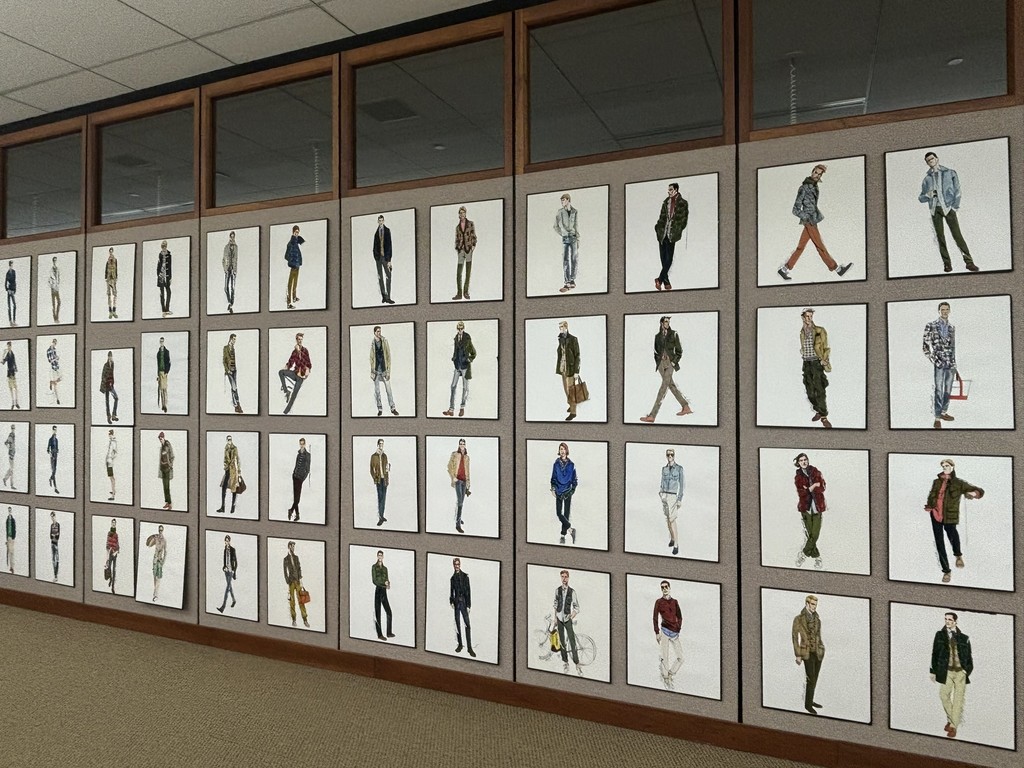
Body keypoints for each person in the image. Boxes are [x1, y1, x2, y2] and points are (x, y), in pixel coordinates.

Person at [777, 164, 852, 281]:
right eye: (815, 172)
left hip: (813, 219)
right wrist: (806, 217)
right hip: (809, 221)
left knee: (801, 247)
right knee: (820, 245)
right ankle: (837, 269)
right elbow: (795, 209)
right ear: (812, 172)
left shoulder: (814, 186)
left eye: (819, 174)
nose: (816, 175)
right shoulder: (804, 188)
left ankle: (784, 269)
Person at [924, 459, 983, 584]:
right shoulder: (936, 482)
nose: (945, 468)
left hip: (950, 516)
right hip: (935, 514)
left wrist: (973, 493)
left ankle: (958, 555)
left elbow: (979, 490)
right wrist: (930, 505)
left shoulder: (959, 483)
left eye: (947, 466)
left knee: (953, 536)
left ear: (952, 467)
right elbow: (932, 495)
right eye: (943, 466)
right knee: (939, 543)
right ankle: (946, 571)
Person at [919, 152, 978, 273]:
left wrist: (955, 206)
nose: (930, 161)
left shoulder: (950, 173)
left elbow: (957, 190)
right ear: (927, 163)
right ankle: (947, 264)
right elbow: (921, 198)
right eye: (928, 160)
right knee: (940, 237)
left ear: (937, 159)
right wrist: (928, 195)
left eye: (932, 159)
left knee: (957, 235)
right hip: (935, 210)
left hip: (948, 208)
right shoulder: (927, 179)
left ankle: (969, 262)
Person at [639, 316, 693, 423]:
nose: (667, 324)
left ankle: (652, 415)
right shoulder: (657, 336)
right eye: (665, 322)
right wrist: (658, 362)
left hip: (670, 363)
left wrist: (673, 362)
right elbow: (656, 351)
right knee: (671, 385)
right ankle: (685, 406)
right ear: (661, 323)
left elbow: (679, 351)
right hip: (661, 364)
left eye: (668, 322)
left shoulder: (674, 334)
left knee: (663, 387)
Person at [930, 611, 973, 739]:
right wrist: (933, 671)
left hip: (960, 673)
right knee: (943, 695)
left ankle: (953, 726)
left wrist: (966, 671)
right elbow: (934, 653)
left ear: (955, 621)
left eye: (949, 619)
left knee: (958, 699)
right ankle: (953, 719)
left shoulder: (964, 637)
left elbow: (969, 656)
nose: (947, 621)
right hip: (947, 671)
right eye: (946, 619)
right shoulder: (939, 635)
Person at [923, 301, 958, 430]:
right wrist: (934, 359)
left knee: (948, 389)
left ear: (949, 311)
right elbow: (925, 346)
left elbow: (953, 347)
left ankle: (943, 412)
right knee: (939, 389)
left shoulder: (952, 327)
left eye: (946, 309)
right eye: (942, 309)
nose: (944, 312)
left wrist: (954, 363)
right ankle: (937, 418)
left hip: (950, 363)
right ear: (939, 311)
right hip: (938, 362)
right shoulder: (931, 325)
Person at [798, 308, 831, 428]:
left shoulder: (819, 330)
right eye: (807, 316)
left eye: (811, 316)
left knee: (819, 389)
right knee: (810, 391)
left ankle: (824, 416)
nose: (809, 318)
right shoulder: (802, 332)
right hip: (806, 363)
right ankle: (818, 410)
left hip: (817, 363)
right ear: (803, 317)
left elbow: (826, 347)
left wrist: (824, 359)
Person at [792, 594, 825, 715]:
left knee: (815, 678)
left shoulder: (817, 619)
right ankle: (808, 705)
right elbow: (795, 637)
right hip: (806, 653)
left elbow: (818, 636)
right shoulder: (799, 619)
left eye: (815, 604)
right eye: (812, 604)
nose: (814, 607)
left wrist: (821, 647)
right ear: (807, 604)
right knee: (810, 678)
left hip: (818, 652)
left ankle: (810, 701)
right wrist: (798, 654)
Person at [793, 453, 826, 569]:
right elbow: (801, 492)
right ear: (798, 463)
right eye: (801, 460)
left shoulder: (815, 472)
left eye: (805, 459)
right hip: (805, 509)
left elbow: (823, 487)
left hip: (817, 508)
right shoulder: (798, 477)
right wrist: (813, 486)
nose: (804, 462)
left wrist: (811, 488)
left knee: (815, 534)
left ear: (808, 460)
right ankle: (818, 559)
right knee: (810, 535)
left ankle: (803, 555)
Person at [654, 182, 688, 291]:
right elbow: (661, 217)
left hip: (672, 234)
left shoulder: (683, 203)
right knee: (663, 258)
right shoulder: (665, 202)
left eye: (671, 190)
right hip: (662, 233)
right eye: (668, 190)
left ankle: (659, 279)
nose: (669, 192)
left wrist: (678, 229)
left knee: (669, 258)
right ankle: (666, 281)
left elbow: (684, 220)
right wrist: (658, 228)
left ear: (676, 190)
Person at [653, 580, 683, 690]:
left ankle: (671, 673)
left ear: (669, 588)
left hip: (675, 632)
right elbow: (655, 618)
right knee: (664, 657)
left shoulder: (675, 602)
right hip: (664, 631)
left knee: (681, 658)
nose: (664, 589)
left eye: (666, 587)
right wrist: (657, 632)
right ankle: (666, 678)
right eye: (662, 587)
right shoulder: (658, 602)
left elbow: (680, 616)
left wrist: (678, 628)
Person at [442, 321, 475, 417]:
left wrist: (469, 359)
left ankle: (462, 408)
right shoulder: (456, 338)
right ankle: (451, 409)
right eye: (458, 328)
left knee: (465, 387)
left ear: (463, 328)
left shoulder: (467, 338)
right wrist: (454, 358)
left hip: (465, 366)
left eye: (461, 328)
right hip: (457, 366)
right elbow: (455, 351)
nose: (460, 330)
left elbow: (473, 353)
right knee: (453, 386)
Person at [553, 569, 582, 676]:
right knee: (562, 642)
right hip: (559, 619)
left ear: (568, 578)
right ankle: (565, 662)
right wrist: (555, 618)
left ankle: (577, 663)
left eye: (566, 577)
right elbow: (555, 605)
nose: (564, 579)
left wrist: (571, 616)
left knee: (572, 642)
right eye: (562, 577)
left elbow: (577, 607)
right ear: (560, 578)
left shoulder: (572, 592)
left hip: (567, 619)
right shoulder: (557, 590)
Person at [549, 442, 577, 545]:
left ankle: (563, 536)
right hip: (559, 491)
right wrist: (553, 489)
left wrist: (572, 490)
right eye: (561, 449)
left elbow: (575, 480)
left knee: (566, 513)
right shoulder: (556, 464)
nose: (562, 451)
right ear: (559, 451)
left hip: (568, 491)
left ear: (567, 450)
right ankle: (571, 529)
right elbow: (553, 478)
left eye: (564, 449)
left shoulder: (571, 465)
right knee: (558, 513)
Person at [278, 332, 311, 415]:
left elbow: (308, 363)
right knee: (281, 372)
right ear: (296, 340)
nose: (300, 341)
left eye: (301, 339)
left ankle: (286, 411)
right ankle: (286, 391)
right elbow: (290, 362)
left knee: (294, 394)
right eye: (298, 339)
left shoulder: (305, 351)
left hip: (301, 376)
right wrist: (286, 367)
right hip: (295, 373)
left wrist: (308, 369)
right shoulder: (294, 352)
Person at [369, 326, 398, 416]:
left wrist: (388, 371)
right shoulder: (373, 343)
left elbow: (388, 357)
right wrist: (372, 371)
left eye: (380, 331)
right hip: (376, 371)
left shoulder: (384, 341)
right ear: (374, 332)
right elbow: (371, 358)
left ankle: (393, 408)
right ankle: (380, 409)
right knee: (377, 391)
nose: (379, 333)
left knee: (388, 390)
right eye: (378, 331)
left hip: (384, 370)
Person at [553, 193, 579, 293]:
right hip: (565, 238)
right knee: (565, 259)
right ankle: (567, 281)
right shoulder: (560, 212)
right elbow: (555, 226)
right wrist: (563, 234)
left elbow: (576, 225)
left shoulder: (574, 211)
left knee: (574, 259)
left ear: (568, 200)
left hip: (574, 238)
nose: (562, 202)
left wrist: (578, 238)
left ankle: (572, 280)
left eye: (563, 200)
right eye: (561, 200)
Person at [659, 448, 683, 556]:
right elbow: (662, 482)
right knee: (667, 519)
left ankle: (676, 545)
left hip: (673, 496)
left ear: (674, 455)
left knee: (672, 520)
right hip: (664, 495)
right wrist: (661, 493)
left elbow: (681, 485)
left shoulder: (679, 469)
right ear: (666, 455)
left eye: (672, 454)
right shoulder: (664, 469)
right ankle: (672, 538)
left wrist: (679, 499)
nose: (670, 456)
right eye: (668, 454)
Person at [555, 320, 581, 422]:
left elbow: (577, 356)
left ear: (566, 327)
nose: (560, 329)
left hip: (570, 369)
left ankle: (573, 412)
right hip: (563, 369)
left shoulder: (573, 339)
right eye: (559, 327)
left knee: (571, 391)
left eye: (562, 327)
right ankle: (571, 404)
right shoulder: (560, 339)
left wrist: (576, 371)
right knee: (566, 389)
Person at [450, 557, 475, 656]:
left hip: (464, 603)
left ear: (460, 565)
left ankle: (469, 648)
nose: (457, 566)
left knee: (467, 624)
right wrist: (451, 601)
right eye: (455, 564)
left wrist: (468, 605)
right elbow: (451, 591)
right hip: (456, 604)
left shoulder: (465, 576)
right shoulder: (452, 578)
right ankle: (460, 645)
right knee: (457, 624)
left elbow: (468, 591)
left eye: (458, 564)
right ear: (453, 565)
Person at [447, 439, 471, 534]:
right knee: (460, 502)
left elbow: (468, 470)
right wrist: (453, 477)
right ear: (458, 445)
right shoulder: (454, 454)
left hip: (464, 481)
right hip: (458, 481)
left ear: (465, 445)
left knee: (461, 502)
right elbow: (449, 467)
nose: (462, 445)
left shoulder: (467, 457)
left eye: (463, 444)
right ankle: (458, 524)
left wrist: (468, 483)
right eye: (460, 444)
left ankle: (458, 517)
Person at [452, 205, 476, 300]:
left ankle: (466, 292)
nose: (462, 214)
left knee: (468, 272)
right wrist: (457, 248)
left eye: (463, 213)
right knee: (459, 273)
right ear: (459, 215)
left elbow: (473, 235)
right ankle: (459, 293)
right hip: (461, 250)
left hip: (468, 249)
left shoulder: (470, 224)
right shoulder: (457, 227)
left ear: (465, 214)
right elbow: (457, 239)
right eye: (460, 213)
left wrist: (473, 245)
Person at [283, 541, 308, 628]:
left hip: (297, 581)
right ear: (289, 547)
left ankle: (305, 619)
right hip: (291, 583)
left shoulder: (296, 558)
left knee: (301, 601)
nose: (293, 548)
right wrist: (288, 582)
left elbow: (299, 568)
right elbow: (285, 572)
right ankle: (294, 620)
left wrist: (301, 581)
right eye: (292, 546)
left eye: (294, 546)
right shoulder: (285, 559)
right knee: (292, 602)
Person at [371, 215, 394, 304]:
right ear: (378, 222)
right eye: (379, 221)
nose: (381, 222)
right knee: (380, 277)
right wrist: (376, 256)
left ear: (384, 221)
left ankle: (388, 297)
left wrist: (389, 260)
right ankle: (384, 297)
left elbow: (389, 245)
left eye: (382, 220)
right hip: (378, 258)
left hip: (385, 258)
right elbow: (374, 246)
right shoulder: (376, 233)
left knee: (388, 276)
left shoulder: (387, 231)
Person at [287, 437, 310, 522]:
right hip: (295, 476)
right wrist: (293, 473)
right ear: (299, 444)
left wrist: (303, 478)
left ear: (305, 444)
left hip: (300, 478)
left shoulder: (308, 455)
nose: (302, 445)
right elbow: (296, 465)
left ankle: (291, 510)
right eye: (300, 444)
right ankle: (297, 515)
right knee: (295, 497)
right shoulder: (298, 454)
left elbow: (307, 469)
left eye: (303, 444)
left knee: (298, 498)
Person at [217, 435, 241, 515]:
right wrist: (225, 467)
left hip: (234, 470)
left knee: (234, 488)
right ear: (226, 440)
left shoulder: (235, 448)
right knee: (224, 487)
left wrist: (239, 472)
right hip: (227, 470)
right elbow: (225, 459)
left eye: (230, 439)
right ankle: (222, 507)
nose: (229, 441)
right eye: (228, 440)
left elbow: (238, 460)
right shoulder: (226, 448)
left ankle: (233, 507)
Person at [372, 550, 393, 640]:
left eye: (381, 555)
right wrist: (383, 584)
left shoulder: (385, 569)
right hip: (378, 590)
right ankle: (379, 634)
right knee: (378, 612)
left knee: (389, 611)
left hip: (384, 590)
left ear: (383, 557)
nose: (380, 557)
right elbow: (374, 580)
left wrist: (388, 584)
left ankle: (389, 632)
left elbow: (387, 579)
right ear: (377, 556)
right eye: (379, 555)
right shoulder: (374, 567)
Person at [369, 439, 389, 526]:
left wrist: (388, 470)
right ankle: (380, 517)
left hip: (384, 480)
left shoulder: (385, 456)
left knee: (383, 498)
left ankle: (382, 515)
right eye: (380, 444)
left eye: (382, 444)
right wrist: (375, 478)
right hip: (378, 480)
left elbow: (387, 468)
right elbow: (371, 469)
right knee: (380, 498)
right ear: (377, 445)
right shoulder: (373, 456)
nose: (381, 445)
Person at [284, 225, 303, 309]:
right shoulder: (290, 243)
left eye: (298, 232)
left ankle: (294, 297)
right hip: (293, 266)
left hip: (297, 265)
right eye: (296, 232)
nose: (297, 234)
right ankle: (289, 303)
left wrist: (298, 262)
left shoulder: (296, 242)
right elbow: (286, 256)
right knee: (290, 284)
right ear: (293, 232)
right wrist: (292, 261)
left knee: (295, 283)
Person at [217, 535, 237, 613]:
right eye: (226, 541)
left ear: (230, 541)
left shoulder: (233, 549)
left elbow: (235, 561)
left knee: (227, 588)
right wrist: (224, 567)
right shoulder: (225, 550)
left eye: (228, 541)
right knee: (230, 587)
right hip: (226, 571)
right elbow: (224, 560)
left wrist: (234, 571)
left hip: (231, 571)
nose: (227, 542)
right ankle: (234, 600)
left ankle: (223, 607)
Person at [223, 333, 242, 414]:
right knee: (234, 387)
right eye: (234, 339)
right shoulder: (226, 348)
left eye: (235, 339)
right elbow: (224, 361)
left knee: (234, 387)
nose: (234, 341)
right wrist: (227, 370)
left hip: (234, 370)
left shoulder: (233, 348)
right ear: (230, 339)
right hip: (229, 371)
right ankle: (237, 404)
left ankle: (236, 405)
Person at [99, 350, 118, 424]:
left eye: (111, 356)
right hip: (106, 385)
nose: (110, 357)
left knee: (116, 398)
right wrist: (106, 383)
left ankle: (113, 415)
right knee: (107, 401)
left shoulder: (112, 364)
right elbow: (103, 376)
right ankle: (108, 416)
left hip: (111, 385)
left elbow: (112, 374)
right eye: (109, 356)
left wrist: (112, 382)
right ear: (108, 357)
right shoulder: (105, 365)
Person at [157, 432, 175, 510]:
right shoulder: (162, 446)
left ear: (164, 438)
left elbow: (172, 456)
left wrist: (170, 465)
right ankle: (167, 502)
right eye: (159, 439)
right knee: (164, 487)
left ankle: (170, 503)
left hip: (167, 469)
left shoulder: (167, 445)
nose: (160, 440)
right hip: (162, 469)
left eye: (161, 438)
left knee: (167, 487)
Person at [150, 524, 166, 601]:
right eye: (159, 530)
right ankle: (155, 592)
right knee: (154, 576)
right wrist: (153, 536)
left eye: (161, 530)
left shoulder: (164, 540)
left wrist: (163, 561)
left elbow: (166, 551)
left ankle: (156, 594)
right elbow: (149, 545)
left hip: (160, 560)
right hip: (155, 559)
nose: (160, 531)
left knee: (158, 577)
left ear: (163, 531)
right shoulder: (156, 538)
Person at [156, 240, 172, 316]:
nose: (164, 248)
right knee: (162, 293)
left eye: (165, 247)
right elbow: (158, 267)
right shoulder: (160, 255)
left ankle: (167, 309)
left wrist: (170, 277)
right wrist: (158, 275)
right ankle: (163, 310)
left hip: (167, 277)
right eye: (163, 247)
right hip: (161, 277)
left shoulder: (169, 255)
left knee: (168, 292)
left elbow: (170, 267)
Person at [222, 231, 238, 312]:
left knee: (232, 288)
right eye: (231, 236)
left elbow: (236, 259)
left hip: (233, 270)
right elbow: (223, 259)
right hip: (227, 270)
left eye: (233, 237)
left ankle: (231, 304)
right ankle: (229, 302)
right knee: (226, 288)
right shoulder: (226, 247)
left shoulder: (236, 247)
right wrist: (225, 269)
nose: (232, 238)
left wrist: (235, 270)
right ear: (229, 237)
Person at [2, 341, 19, 409]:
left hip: (13, 372)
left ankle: (16, 403)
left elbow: (14, 362)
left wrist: (16, 368)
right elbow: (3, 362)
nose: (9, 347)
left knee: (16, 388)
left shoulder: (12, 353)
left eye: (10, 346)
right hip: (9, 373)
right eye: (8, 346)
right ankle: (12, 403)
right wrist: (3, 354)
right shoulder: (7, 355)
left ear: (11, 346)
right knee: (11, 388)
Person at [156, 336, 170, 413]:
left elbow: (169, 363)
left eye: (162, 341)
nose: (161, 343)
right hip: (160, 372)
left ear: (164, 342)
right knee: (161, 389)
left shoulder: (167, 352)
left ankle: (165, 405)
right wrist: (158, 375)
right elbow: (158, 365)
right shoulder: (158, 353)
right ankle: (163, 405)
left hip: (164, 373)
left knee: (165, 389)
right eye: (160, 341)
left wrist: (166, 372)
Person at [104, 519, 119, 593]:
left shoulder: (116, 534)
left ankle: (113, 586)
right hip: (110, 553)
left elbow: (117, 544)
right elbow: (107, 544)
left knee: (114, 569)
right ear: (111, 524)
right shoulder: (109, 533)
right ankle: (110, 579)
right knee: (109, 568)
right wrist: (108, 554)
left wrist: (116, 551)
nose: (113, 524)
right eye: (112, 523)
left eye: (114, 523)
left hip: (114, 554)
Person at [46, 338, 62, 404]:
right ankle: (57, 399)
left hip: (57, 366)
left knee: (61, 378)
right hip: (52, 367)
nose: (54, 344)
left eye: (55, 343)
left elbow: (55, 358)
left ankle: (51, 382)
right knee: (55, 385)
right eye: (54, 343)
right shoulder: (49, 350)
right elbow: (50, 361)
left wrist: (57, 358)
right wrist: (56, 358)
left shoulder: (54, 349)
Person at [104, 247, 118, 319]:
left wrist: (116, 278)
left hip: (114, 279)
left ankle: (114, 311)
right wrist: (106, 278)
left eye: (112, 251)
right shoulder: (107, 261)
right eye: (110, 252)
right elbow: (106, 270)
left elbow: (116, 269)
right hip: (109, 279)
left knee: (115, 295)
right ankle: (110, 311)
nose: (111, 253)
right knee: (109, 295)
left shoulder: (115, 261)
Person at [48, 255, 61, 323]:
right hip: (53, 288)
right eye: (54, 260)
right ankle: (55, 318)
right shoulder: (51, 270)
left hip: (57, 288)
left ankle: (57, 317)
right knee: (53, 304)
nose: (55, 262)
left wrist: (58, 284)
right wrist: (52, 286)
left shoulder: (58, 269)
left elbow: (59, 278)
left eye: (56, 260)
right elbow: (49, 280)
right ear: (53, 261)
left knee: (59, 302)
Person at [105, 429, 117, 501]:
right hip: (108, 460)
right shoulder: (111, 442)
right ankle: (113, 491)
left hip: (110, 461)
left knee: (111, 477)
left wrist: (111, 458)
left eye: (110, 435)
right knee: (111, 477)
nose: (109, 436)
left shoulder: (113, 442)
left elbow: (115, 452)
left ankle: (113, 495)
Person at [46, 426, 59, 494]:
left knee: (55, 470)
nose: (55, 431)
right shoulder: (50, 439)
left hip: (56, 455)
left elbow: (57, 448)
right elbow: (48, 449)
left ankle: (51, 478)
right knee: (53, 470)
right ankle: (55, 488)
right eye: (54, 430)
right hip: (52, 456)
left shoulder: (56, 440)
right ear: (52, 430)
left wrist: (56, 452)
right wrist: (51, 454)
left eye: (55, 430)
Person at [48, 511, 60, 582]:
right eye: (51, 517)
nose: (52, 518)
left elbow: (58, 536)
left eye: (53, 517)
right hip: (52, 543)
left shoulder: (58, 525)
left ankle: (56, 574)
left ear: (55, 516)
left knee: (57, 559)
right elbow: (50, 536)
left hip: (56, 543)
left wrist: (54, 535)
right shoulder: (51, 525)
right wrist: (54, 535)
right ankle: (54, 574)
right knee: (53, 559)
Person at [2, 424, 15, 489]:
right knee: (11, 470)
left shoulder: (13, 435)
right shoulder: (11, 435)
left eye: (14, 428)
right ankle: (11, 485)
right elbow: (6, 443)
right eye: (12, 428)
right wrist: (9, 448)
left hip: (12, 454)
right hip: (11, 454)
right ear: (11, 428)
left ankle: (5, 479)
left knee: (11, 469)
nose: (13, 429)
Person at [5, 260, 16, 326]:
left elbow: (14, 281)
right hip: (9, 290)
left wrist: (14, 290)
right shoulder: (7, 273)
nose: (11, 266)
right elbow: (5, 282)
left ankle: (14, 320)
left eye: (12, 265)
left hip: (12, 290)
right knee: (9, 306)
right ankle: (10, 321)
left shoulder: (14, 272)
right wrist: (7, 289)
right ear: (9, 265)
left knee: (14, 305)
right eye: (10, 265)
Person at [5, 506, 15, 573]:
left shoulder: (12, 520)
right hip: (8, 538)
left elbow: (14, 529)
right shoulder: (7, 520)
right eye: (9, 510)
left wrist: (13, 537)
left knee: (11, 552)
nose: (9, 511)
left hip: (11, 538)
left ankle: (12, 567)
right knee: (8, 552)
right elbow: (6, 528)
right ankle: (9, 566)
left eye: (10, 510)